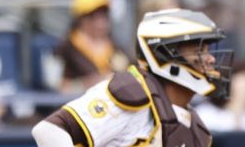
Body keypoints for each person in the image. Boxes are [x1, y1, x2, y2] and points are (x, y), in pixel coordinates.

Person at [32, 8, 234, 146]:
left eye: (208, 50)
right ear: (167, 53)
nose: (210, 59)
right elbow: (48, 131)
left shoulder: (198, 132)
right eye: (199, 50)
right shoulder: (131, 95)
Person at [57, 0, 129, 94]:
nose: (100, 23)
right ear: (80, 18)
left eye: (104, 15)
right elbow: (58, 88)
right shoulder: (66, 49)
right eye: (92, 16)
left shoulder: (116, 47)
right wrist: (89, 83)